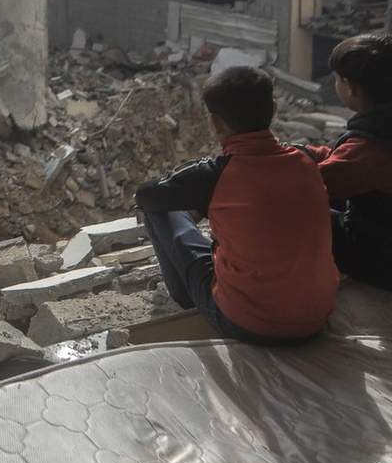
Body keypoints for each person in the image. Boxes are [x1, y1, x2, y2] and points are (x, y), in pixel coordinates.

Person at [134, 65, 336, 344]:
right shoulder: (306, 158)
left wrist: (200, 199)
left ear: (214, 123)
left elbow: (146, 194)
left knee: (161, 209)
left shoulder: (214, 175)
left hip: (246, 324)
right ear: (274, 110)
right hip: (317, 317)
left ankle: (186, 297)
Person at [299, 33, 392, 288]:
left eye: (338, 79)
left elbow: (310, 184)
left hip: (381, 260)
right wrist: (306, 153)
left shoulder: (369, 149)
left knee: (290, 204)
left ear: (352, 88)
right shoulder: (381, 130)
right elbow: (346, 162)